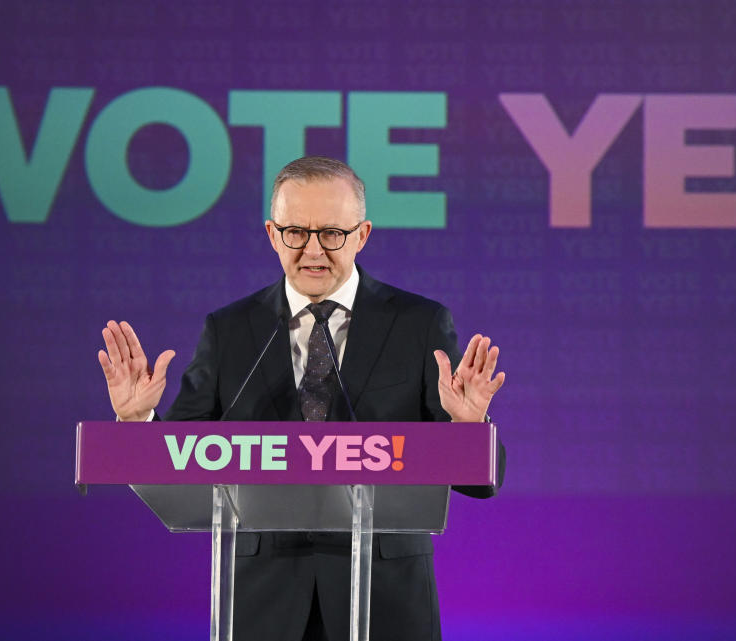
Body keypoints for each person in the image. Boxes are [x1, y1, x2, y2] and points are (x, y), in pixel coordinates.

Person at [97, 156, 505, 641]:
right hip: (262, 600)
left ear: (362, 234)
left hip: (383, 597)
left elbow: (481, 483)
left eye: (332, 233)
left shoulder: (420, 324)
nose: (313, 249)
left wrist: (467, 428)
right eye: (296, 232)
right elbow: (179, 460)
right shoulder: (230, 330)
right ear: (272, 234)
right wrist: (137, 419)